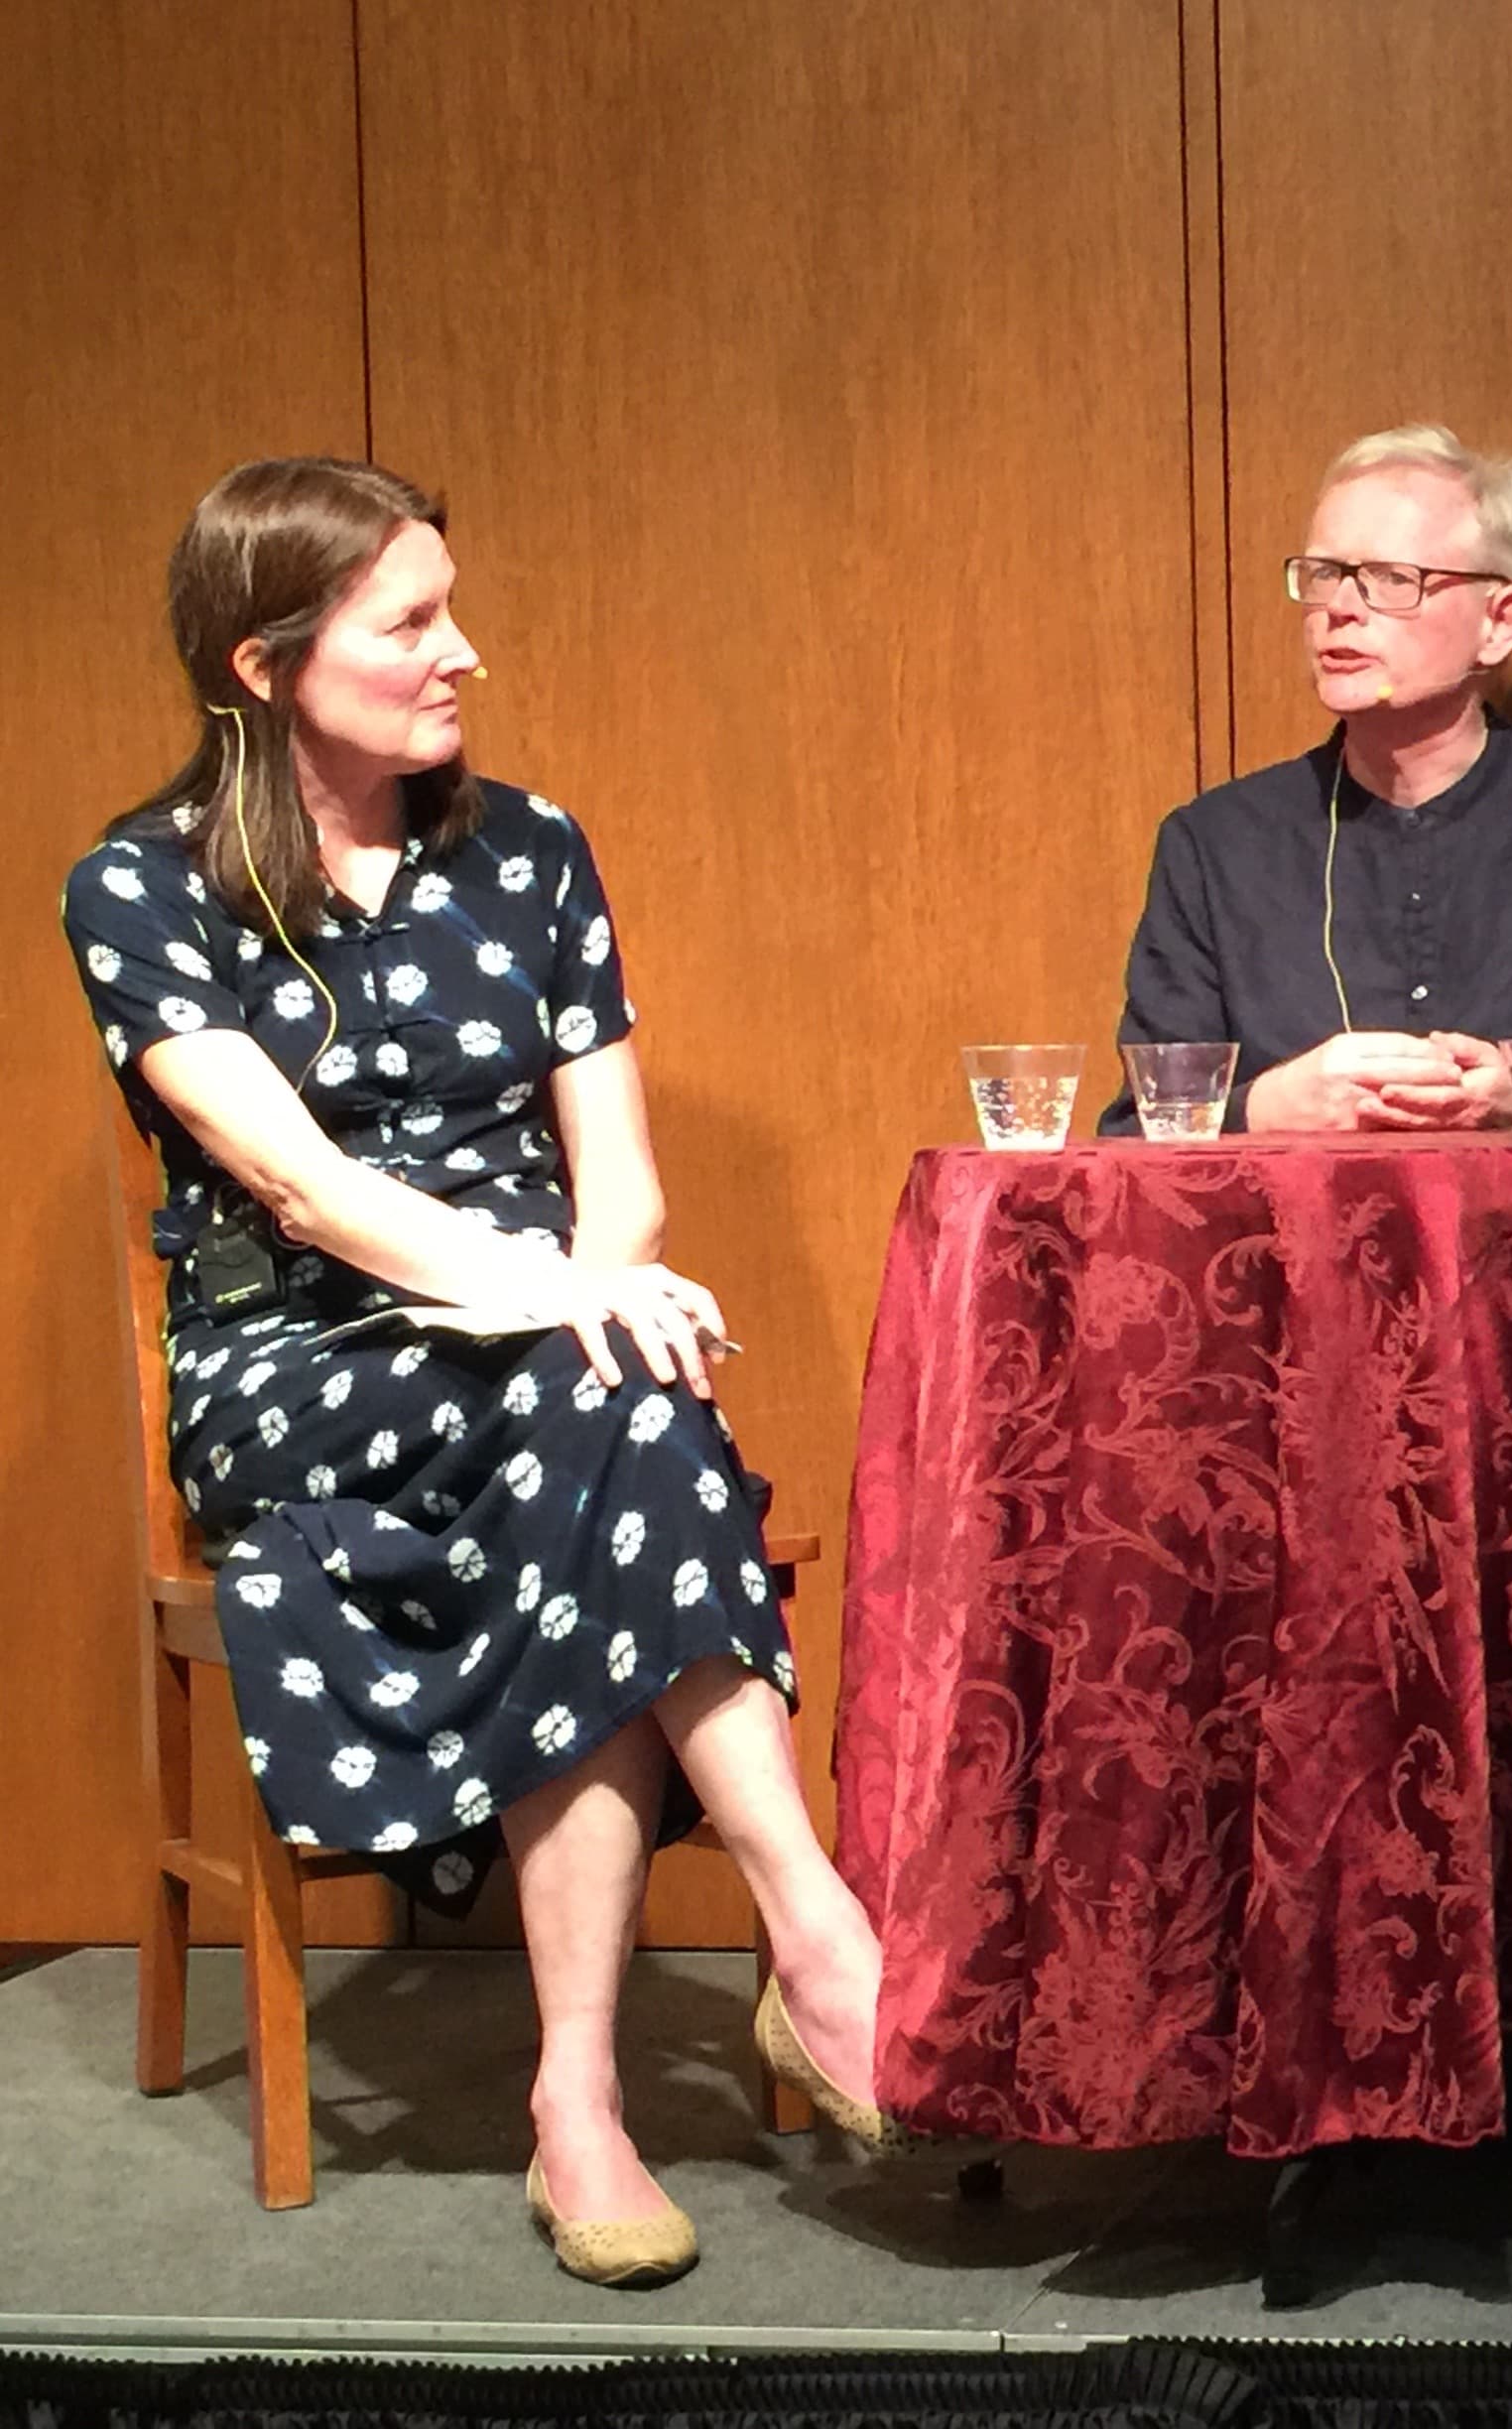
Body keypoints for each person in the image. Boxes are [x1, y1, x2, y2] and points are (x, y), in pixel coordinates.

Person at [63, 458, 897, 2290]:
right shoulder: (139, 883)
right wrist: (554, 1299)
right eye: (412, 622)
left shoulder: (528, 846)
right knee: (609, 1414)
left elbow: (620, 1172)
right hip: (296, 1347)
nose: (468, 654)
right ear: (263, 662)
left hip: (539, 1339)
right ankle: (818, 1931)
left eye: (453, 606)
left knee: (600, 1420)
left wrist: (599, 1288)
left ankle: (582, 2093)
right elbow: (296, 1181)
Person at [1098, 425, 1512, 1138]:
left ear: (1499, 622)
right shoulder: (1216, 846)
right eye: (1325, 573)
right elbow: (1131, 1134)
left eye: (1393, 578)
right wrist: (1266, 1108)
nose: (1340, 607)